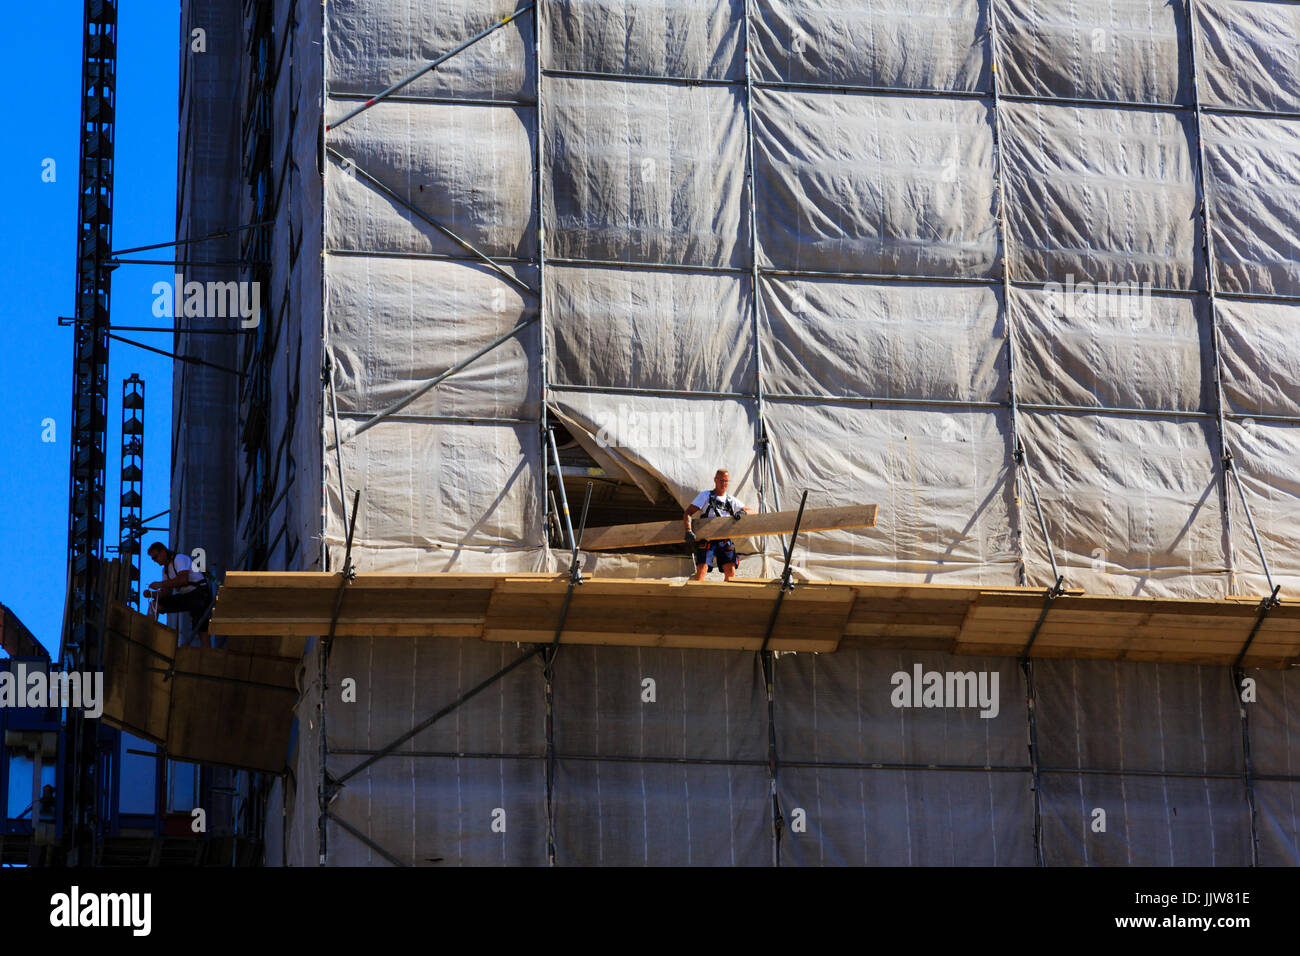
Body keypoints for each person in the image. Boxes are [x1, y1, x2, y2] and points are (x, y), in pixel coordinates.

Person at [143, 541, 213, 647]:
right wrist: (152, 595)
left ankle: (208, 653)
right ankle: (148, 636)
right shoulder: (165, 570)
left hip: (199, 593)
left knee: (200, 626)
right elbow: (166, 593)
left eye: (155, 557)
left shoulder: (179, 559)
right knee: (156, 604)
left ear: (163, 552)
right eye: (153, 558)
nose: (155, 561)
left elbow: (183, 580)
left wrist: (160, 584)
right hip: (187, 596)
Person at [684, 468, 748, 582]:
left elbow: (752, 511)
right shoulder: (705, 496)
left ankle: (727, 598)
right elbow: (688, 513)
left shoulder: (731, 500)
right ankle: (695, 596)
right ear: (715, 480)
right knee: (702, 569)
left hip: (724, 539)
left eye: (726, 481)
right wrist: (688, 530)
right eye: (721, 480)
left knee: (731, 571)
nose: (724, 484)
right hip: (707, 538)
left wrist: (743, 512)